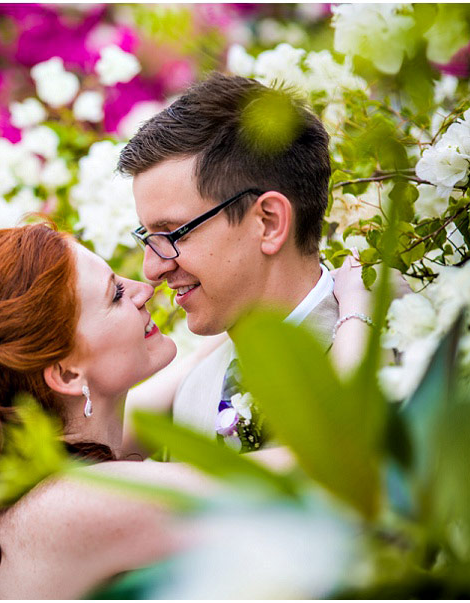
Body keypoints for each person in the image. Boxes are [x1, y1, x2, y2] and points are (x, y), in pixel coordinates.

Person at [0, 222, 373, 599]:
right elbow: (323, 474)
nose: (145, 288)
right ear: (67, 374)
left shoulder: (74, 452)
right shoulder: (78, 503)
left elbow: (220, 341)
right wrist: (357, 313)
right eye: (116, 294)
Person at [118, 73, 374, 441]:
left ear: (268, 222)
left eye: (173, 233)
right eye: (147, 237)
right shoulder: (191, 393)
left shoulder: (393, 359)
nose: (152, 269)